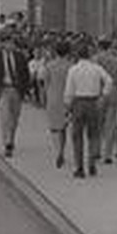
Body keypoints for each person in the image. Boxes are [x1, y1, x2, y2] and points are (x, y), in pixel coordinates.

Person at [63, 42, 113, 178]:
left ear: (77, 55)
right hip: (93, 102)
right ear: (89, 54)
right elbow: (109, 80)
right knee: (93, 134)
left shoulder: (73, 69)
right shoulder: (96, 68)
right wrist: (104, 96)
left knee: (77, 136)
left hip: (78, 102)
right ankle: (91, 164)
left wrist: (67, 106)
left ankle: (79, 167)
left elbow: (69, 91)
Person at [0, 30, 32, 157]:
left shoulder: (20, 57)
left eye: (11, 43)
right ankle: (7, 143)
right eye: (7, 42)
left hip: (16, 89)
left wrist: (27, 91)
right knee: (5, 117)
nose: (9, 45)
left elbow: (26, 75)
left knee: (14, 119)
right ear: (3, 44)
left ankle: (12, 137)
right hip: (3, 89)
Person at [92, 37, 117, 164]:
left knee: (97, 122)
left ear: (99, 46)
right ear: (110, 46)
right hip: (113, 90)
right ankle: (108, 155)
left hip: (99, 91)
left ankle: (96, 151)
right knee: (110, 124)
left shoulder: (95, 60)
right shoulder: (116, 60)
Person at [44, 38, 72, 167]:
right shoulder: (71, 66)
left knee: (54, 128)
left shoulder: (49, 65)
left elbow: (46, 84)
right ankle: (61, 151)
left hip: (53, 99)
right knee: (63, 127)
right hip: (67, 99)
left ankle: (57, 152)